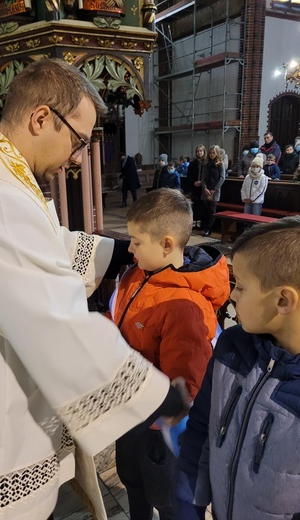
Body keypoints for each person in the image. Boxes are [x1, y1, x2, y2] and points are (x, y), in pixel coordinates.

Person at [0, 59, 189, 520]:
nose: (78, 156)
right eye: (79, 140)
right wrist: (154, 394)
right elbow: (55, 320)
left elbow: (38, 248)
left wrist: (114, 252)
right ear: (41, 118)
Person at [108, 188, 230, 520]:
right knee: (133, 482)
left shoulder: (184, 306)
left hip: (157, 428)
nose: (129, 248)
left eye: (135, 241)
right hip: (128, 412)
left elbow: (185, 384)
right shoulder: (138, 274)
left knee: (166, 499)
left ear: (166, 244)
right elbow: (117, 318)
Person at [176, 216, 300, 520]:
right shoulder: (233, 347)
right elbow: (200, 427)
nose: (232, 295)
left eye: (241, 287)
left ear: (283, 300)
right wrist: (185, 500)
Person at [201, 145, 226, 237]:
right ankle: (205, 226)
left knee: (212, 210)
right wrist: (204, 188)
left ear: (217, 153)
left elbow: (222, 178)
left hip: (215, 190)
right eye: (210, 153)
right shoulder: (206, 164)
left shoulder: (220, 164)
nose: (212, 155)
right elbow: (202, 177)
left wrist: (214, 189)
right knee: (206, 210)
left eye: (213, 153)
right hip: (206, 190)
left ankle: (209, 228)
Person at [185, 144, 206, 227]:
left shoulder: (206, 163)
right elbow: (189, 176)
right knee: (195, 205)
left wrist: (203, 183)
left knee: (203, 206)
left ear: (204, 152)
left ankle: (202, 224)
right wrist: (194, 182)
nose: (199, 153)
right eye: (197, 151)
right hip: (195, 187)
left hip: (204, 187)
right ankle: (195, 223)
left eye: (201, 151)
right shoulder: (192, 163)